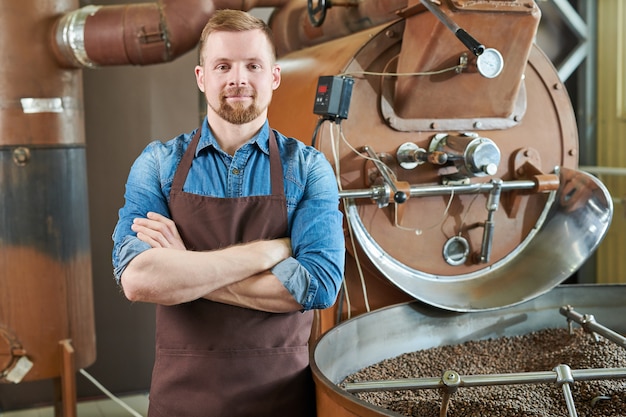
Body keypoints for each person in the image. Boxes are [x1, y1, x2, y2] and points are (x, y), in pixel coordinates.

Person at [111, 9, 345, 417]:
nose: (238, 78)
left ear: (273, 76)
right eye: (223, 66)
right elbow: (137, 279)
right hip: (181, 401)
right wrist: (270, 252)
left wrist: (183, 267)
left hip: (281, 399)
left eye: (252, 65)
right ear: (202, 77)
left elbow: (318, 285)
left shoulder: (308, 168)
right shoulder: (159, 164)